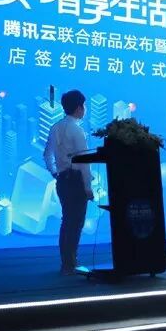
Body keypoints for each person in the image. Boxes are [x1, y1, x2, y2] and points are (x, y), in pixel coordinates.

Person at [43, 90, 94, 275]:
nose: (85, 109)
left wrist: (54, 172)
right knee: (76, 222)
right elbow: (83, 161)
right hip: (76, 181)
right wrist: (88, 187)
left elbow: (47, 154)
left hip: (63, 180)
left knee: (67, 221)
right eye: (84, 106)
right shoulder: (77, 130)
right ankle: (71, 263)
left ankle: (67, 262)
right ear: (79, 108)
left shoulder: (55, 127)